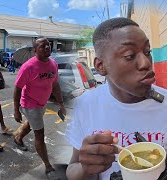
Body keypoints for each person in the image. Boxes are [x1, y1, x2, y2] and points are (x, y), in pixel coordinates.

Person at [65, 17, 167, 180]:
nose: (146, 63)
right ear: (100, 66)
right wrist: (86, 168)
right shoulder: (87, 105)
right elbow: (72, 170)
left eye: (147, 52)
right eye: (130, 55)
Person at [13, 36, 66, 177]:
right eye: (43, 46)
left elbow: (55, 84)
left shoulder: (53, 64)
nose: (47, 47)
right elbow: (17, 88)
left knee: (31, 125)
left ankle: (17, 138)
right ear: (35, 50)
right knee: (39, 134)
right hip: (30, 104)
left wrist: (61, 104)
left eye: (48, 45)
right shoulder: (28, 67)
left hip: (42, 103)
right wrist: (16, 110)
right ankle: (48, 166)